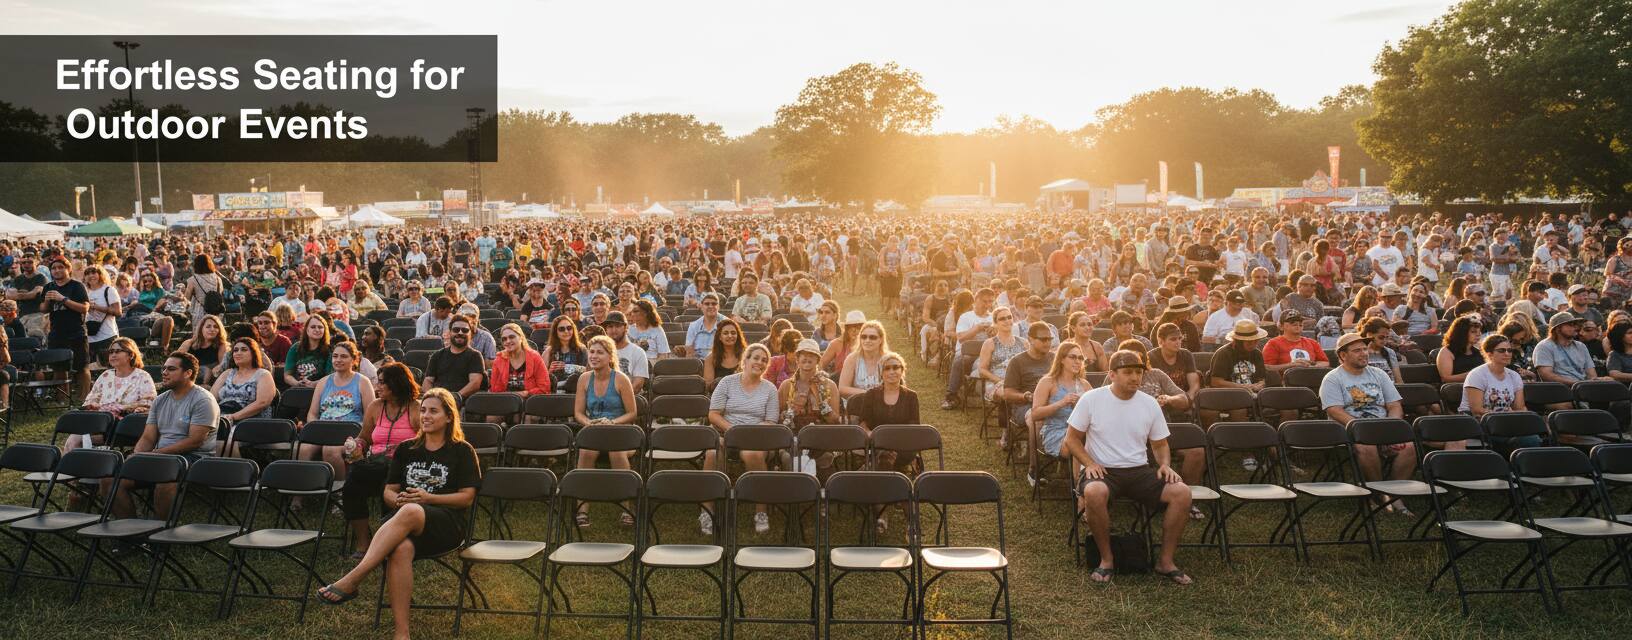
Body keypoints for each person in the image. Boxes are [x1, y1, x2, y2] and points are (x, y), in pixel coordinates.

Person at [317, 387, 481, 640]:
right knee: (401, 548)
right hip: (405, 520)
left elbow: (467, 497)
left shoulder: (462, 451)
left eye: (433, 411)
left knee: (413, 509)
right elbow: (388, 492)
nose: (425, 415)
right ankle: (401, 633)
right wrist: (400, 500)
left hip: (446, 524)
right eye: (423, 410)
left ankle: (355, 577)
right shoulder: (406, 449)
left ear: (449, 417)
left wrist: (428, 498)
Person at [1066, 350, 1193, 585]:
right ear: (1112, 374)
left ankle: (1166, 562)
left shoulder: (1149, 404)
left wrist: (1164, 464)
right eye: (1128, 372)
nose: (1134, 377)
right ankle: (1107, 559)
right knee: (1094, 492)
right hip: (1103, 470)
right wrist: (1089, 463)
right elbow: (1071, 439)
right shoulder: (1092, 399)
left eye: (1138, 372)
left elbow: (1160, 443)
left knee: (1182, 493)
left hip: (1138, 470)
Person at [111, 352, 219, 520]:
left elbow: (195, 441)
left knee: (165, 478)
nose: (164, 372)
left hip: (194, 458)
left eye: (171, 369)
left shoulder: (203, 400)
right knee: (109, 479)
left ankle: (160, 535)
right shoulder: (160, 400)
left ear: (188, 373)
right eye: (163, 368)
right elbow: (148, 437)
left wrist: (155, 454)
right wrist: (137, 456)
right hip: (161, 456)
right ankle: (129, 534)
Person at [1320, 333, 1414, 514]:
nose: (1364, 353)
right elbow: (1335, 411)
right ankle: (1378, 493)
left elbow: (1394, 405)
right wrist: (1362, 429)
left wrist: (1391, 426)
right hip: (1352, 431)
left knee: (1408, 447)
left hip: (1382, 428)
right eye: (1357, 350)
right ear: (1343, 355)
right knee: (1366, 447)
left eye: (1364, 349)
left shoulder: (1379, 374)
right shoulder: (1333, 378)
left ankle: (1395, 495)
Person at [703, 343, 779, 535]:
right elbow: (713, 414)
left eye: (764, 360)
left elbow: (771, 421)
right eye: (756, 358)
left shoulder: (770, 389)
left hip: (756, 438)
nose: (760, 362)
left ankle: (760, 512)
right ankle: (707, 511)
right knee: (712, 453)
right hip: (726, 433)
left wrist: (749, 433)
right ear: (745, 360)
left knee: (753, 454)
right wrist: (734, 430)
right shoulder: (727, 382)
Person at [572, 335, 641, 528]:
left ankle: (626, 507)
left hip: (620, 432)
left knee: (616, 452)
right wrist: (589, 423)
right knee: (585, 452)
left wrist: (611, 422)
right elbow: (578, 412)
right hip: (594, 431)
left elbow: (632, 413)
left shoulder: (620, 379)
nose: (594, 356)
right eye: (591, 352)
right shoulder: (584, 379)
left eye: (599, 353)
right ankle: (582, 509)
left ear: (610, 356)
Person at [778, 338, 842, 475]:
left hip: (821, 438)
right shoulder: (786, 386)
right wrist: (792, 410)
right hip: (794, 438)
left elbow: (835, 422)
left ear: (818, 360)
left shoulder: (829, 386)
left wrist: (822, 403)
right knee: (788, 458)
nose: (807, 358)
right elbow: (779, 420)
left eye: (812, 355)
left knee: (824, 457)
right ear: (797, 358)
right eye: (803, 354)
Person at [1029, 342, 1090, 483]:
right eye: (1073, 357)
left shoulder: (1084, 384)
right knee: (1078, 440)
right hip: (1056, 432)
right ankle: (1079, 489)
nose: (1077, 361)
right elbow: (1035, 414)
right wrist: (1061, 403)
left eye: (1081, 358)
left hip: (1081, 431)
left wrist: (1082, 406)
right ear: (1062, 359)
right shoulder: (1048, 382)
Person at [1460, 333, 1531, 450]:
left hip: (1506, 423)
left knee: (1533, 435)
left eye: (1509, 350)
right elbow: (1476, 410)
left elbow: (1519, 407)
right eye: (1502, 350)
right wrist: (1503, 416)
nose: (1507, 354)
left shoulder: (1514, 376)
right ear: (1490, 354)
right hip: (1479, 424)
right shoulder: (1477, 375)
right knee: (1527, 440)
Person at [41, 257, 92, 401]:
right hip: (57, 332)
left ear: (68, 269)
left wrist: (63, 299)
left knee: (82, 367)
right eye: (54, 268)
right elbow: (43, 309)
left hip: (76, 331)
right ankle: (62, 400)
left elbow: (84, 308)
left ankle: (85, 399)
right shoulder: (48, 287)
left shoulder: (77, 286)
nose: (57, 270)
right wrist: (46, 300)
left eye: (60, 267)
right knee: (59, 367)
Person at [213, 338, 276, 428]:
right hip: (222, 418)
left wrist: (234, 416)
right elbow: (211, 399)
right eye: (235, 350)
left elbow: (262, 403)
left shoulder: (263, 374)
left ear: (253, 353)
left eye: (244, 350)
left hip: (249, 422)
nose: (238, 353)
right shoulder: (227, 373)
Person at [423, 315, 486, 402]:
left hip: (461, 402)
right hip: (437, 400)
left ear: (470, 333)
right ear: (450, 332)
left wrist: (455, 397)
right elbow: (428, 381)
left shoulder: (475, 356)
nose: (460, 333)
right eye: (456, 330)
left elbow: (475, 383)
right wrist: (431, 398)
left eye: (465, 330)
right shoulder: (437, 355)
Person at [1534, 311, 1608, 385]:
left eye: (1575, 325)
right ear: (1558, 329)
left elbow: (1591, 374)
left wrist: (1596, 381)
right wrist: (1577, 383)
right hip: (1559, 391)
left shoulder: (1581, 346)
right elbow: (1547, 376)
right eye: (1571, 325)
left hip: (1584, 389)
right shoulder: (1544, 347)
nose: (1575, 327)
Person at [489, 322, 550, 398]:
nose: (508, 341)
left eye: (511, 337)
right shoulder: (499, 359)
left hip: (530, 402)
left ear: (521, 337)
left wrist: (525, 393)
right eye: (504, 339)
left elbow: (544, 387)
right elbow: (494, 390)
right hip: (505, 403)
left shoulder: (535, 357)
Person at [1262, 311, 1329, 373]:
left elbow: (1325, 362)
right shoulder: (1273, 343)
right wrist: (1291, 365)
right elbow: (1266, 367)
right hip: (1286, 383)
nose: (1298, 324)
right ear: (1281, 326)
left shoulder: (1312, 343)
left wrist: (1311, 367)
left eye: (1300, 322)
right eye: (1292, 322)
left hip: (1312, 380)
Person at [837, 320, 889, 400]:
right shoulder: (852, 359)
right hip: (858, 404)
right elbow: (842, 388)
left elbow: (898, 388)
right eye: (864, 337)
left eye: (872, 337)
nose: (867, 340)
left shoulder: (888, 359)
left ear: (881, 340)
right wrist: (868, 394)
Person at [602, 311, 650, 394]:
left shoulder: (638, 352)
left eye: (617, 326)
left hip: (628, 399)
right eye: (610, 326)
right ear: (606, 329)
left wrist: (616, 399)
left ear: (625, 327)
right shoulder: (599, 351)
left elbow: (637, 385)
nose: (614, 330)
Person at [81, 265, 121, 359]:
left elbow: (118, 311)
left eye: (93, 272)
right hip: (89, 338)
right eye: (87, 273)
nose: (90, 275)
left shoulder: (109, 290)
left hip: (107, 336)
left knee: (108, 368)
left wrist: (96, 307)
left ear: (100, 274)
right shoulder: (84, 292)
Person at [179, 315, 231, 386]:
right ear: (201, 329)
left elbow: (223, 366)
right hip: (188, 377)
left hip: (211, 381)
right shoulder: (188, 343)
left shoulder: (222, 345)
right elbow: (176, 361)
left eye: (216, 327)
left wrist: (216, 368)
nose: (212, 329)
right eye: (208, 326)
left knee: (206, 371)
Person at [284, 314, 334, 388]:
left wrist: (313, 384)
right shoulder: (295, 348)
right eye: (313, 327)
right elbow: (287, 375)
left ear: (324, 330)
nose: (317, 330)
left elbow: (330, 377)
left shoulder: (329, 350)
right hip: (298, 389)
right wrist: (297, 383)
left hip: (322, 389)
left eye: (320, 327)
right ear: (307, 330)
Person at [1435, 315, 1486, 384]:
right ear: (1462, 333)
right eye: (1473, 332)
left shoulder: (1479, 351)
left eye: (1479, 331)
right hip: (1457, 390)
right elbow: (1445, 378)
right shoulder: (1447, 351)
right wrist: (1474, 374)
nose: (1478, 334)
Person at [542, 315, 587, 392]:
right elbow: (541, 376)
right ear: (555, 332)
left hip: (577, 389)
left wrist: (567, 367)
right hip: (555, 390)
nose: (566, 331)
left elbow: (589, 371)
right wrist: (549, 371)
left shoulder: (582, 349)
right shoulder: (549, 351)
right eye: (561, 329)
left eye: (569, 328)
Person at [182, 254, 225, 333]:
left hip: (199, 313)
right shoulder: (218, 279)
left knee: (200, 337)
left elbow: (186, 299)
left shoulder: (193, 280)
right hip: (216, 313)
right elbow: (220, 295)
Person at [703, 318, 745, 390]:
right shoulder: (710, 358)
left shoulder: (746, 355)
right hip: (719, 396)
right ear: (720, 337)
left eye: (733, 333)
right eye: (725, 333)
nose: (730, 336)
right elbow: (708, 386)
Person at [681, 292, 726, 358]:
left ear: (718, 306)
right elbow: (689, 351)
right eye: (707, 304)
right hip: (699, 363)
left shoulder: (727, 323)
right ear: (701, 306)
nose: (710, 306)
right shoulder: (694, 326)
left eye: (714, 304)